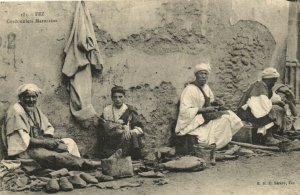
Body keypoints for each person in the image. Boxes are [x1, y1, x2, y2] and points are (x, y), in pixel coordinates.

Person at [2, 83, 101, 171]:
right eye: (27, 97)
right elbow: (24, 140)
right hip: (25, 151)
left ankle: (81, 163)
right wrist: (46, 143)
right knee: (53, 156)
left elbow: (47, 127)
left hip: (39, 144)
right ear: (21, 98)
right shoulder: (16, 111)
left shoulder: (34, 109)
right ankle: (88, 164)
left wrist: (50, 141)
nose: (31, 100)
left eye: (34, 97)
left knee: (67, 144)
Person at [175, 63, 243, 150]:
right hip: (194, 121)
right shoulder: (189, 89)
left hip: (205, 117)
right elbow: (184, 111)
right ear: (196, 75)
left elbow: (210, 102)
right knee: (224, 119)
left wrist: (216, 103)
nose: (204, 76)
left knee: (228, 117)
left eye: (205, 74)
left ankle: (218, 144)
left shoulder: (206, 87)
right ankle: (211, 144)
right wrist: (204, 110)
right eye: (201, 74)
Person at [237, 67, 289, 146]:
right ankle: (268, 137)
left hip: (252, 109)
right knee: (268, 110)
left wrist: (279, 102)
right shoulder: (259, 86)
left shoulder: (266, 87)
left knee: (276, 109)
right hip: (244, 111)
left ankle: (271, 134)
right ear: (269, 79)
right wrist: (275, 103)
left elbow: (271, 98)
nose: (274, 83)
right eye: (274, 80)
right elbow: (259, 103)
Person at [99, 86, 144, 160]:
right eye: (115, 97)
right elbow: (103, 127)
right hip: (111, 140)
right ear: (112, 98)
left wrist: (130, 131)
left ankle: (131, 156)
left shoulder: (129, 110)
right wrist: (120, 126)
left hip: (125, 139)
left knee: (132, 135)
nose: (118, 99)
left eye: (120, 97)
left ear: (124, 97)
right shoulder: (107, 110)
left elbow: (139, 128)